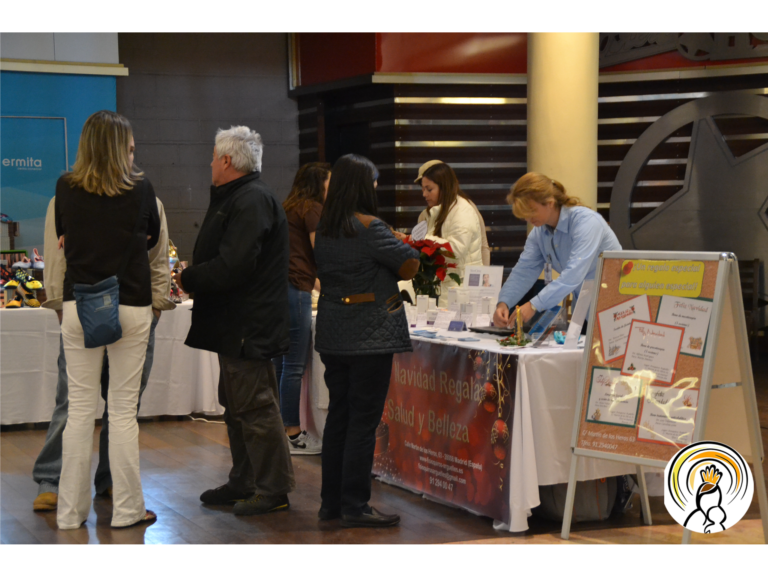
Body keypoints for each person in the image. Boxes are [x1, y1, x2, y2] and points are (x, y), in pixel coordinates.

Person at [174, 126, 295, 517]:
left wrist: (189, 278)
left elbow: (235, 265)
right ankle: (245, 480)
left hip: (249, 323)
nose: (210, 163)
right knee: (236, 404)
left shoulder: (252, 200)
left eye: (213, 156)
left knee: (256, 406)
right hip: (236, 322)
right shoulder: (240, 197)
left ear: (226, 160)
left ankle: (273, 489)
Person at [31, 193, 174, 512]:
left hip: (136, 311)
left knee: (123, 405)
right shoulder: (66, 196)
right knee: (71, 401)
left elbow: (158, 256)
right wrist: (58, 304)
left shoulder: (147, 197)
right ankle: (52, 479)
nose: (129, 154)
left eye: (133, 149)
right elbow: (57, 257)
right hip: (83, 309)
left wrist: (157, 309)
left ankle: (111, 480)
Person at [55, 110, 160, 529]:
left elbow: (64, 235)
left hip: (79, 305)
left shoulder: (65, 187)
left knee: (79, 412)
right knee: (121, 412)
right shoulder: (142, 187)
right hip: (131, 302)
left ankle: (69, 514)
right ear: (122, 147)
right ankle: (128, 510)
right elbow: (150, 237)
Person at [314, 154, 419, 528]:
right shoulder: (370, 227)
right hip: (370, 337)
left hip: (334, 334)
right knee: (363, 421)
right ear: (361, 186)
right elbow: (410, 263)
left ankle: (331, 504)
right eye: (373, 183)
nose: (375, 188)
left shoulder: (324, 228)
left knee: (339, 418)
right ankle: (356, 504)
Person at [493, 173, 622, 328]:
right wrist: (504, 302)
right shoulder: (539, 233)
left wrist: (535, 304)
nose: (528, 218)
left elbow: (573, 275)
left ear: (550, 203)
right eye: (524, 214)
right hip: (585, 311)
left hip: (616, 309)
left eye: (531, 210)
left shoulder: (586, 222)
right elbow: (524, 270)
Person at [273, 162, 330, 455]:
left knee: (282, 364)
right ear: (319, 184)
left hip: (280, 289)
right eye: (329, 182)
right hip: (297, 289)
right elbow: (320, 253)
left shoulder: (288, 206)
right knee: (293, 366)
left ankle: (281, 430)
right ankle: (294, 434)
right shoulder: (312, 209)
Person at [413, 161, 487, 306]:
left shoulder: (463, 210)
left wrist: (422, 240)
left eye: (429, 189)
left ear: (444, 186)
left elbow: (455, 250)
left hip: (464, 288)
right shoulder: (434, 211)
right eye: (423, 189)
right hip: (448, 286)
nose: (424, 194)